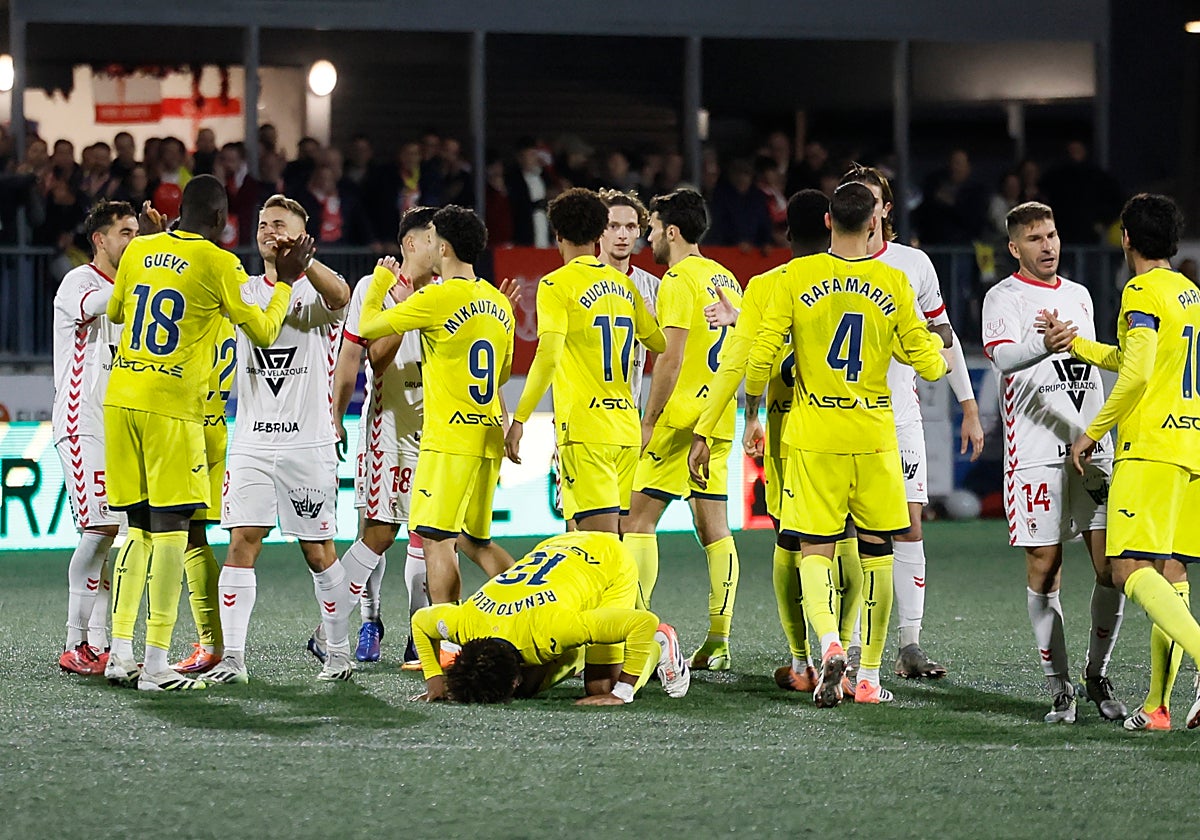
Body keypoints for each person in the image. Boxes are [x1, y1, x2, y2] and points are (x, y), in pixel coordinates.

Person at [701, 182, 949, 706]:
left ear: (828, 222)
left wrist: (747, 412)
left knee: (806, 549)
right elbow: (930, 364)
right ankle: (870, 675)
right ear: (876, 224)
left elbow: (757, 359)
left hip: (809, 435)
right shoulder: (894, 281)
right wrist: (935, 344)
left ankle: (816, 649)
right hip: (876, 435)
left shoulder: (787, 281)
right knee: (877, 553)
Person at [102, 175, 313, 691]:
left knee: (136, 528)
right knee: (175, 531)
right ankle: (155, 663)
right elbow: (263, 331)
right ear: (222, 220)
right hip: (174, 409)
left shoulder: (139, 250)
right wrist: (285, 280)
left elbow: (115, 312)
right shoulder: (221, 264)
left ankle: (120, 652)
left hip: (121, 395)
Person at [1043, 193, 1200, 731]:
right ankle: (1158, 707)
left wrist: (1093, 431)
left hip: (1151, 448)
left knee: (1128, 569)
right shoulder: (1189, 293)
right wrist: (1080, 346)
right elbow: (1141, 361)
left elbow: (1134, 378)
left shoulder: (1140, 290)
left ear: (1126, 238)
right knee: (1169, 572)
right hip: (1190, 446)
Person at [690, 189, 856, 696]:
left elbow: (739, 363)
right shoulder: (861, 280)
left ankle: (802, 660)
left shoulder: (767, 285)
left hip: (789, 428)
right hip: (855, 429)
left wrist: (732, 421)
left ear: (786, 233)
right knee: (851, 543)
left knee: (792, 540)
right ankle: (854, 656)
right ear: (831, 225)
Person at [980, 201, 1126, 724]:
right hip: (1036, 451)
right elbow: (1001, 357)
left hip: (1090, 443)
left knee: (1112, 567)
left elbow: (1090, 363)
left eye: (1053, 234)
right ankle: (1059, 686)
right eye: (1037, 238)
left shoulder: (1080, 296)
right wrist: (1042, 343)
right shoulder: (1003, 297)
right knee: (1046, 567)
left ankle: (1096, 674)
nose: (1049, 246)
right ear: (1016, 248)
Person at [839, 163, 984, 680]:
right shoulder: (825, 266)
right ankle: (851, 646)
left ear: (885, 207)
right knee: (852, 532)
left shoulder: (913, 264)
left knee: (909, 526)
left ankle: (909, 644)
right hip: (841, 420)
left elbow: (944, 336)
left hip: (899, 418)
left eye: (871, 197)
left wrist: (968, 405)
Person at [203, 194, 353, 685]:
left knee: (318, 550)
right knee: (242, 541)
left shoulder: (312, 292)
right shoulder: (243, 291)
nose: (270, 231)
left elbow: (341, 299)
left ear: (302, 235)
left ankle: (338, 652)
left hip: (306, 443)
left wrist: (304, 263)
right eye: (264, 224)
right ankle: (234, 659)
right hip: (250, 442)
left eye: (281, 225)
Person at [356, 206, 516, 611]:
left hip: (447, 440)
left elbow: (370, 326)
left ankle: (447, 643)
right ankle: (527, 604)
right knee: (476, 541)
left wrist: (379, 282)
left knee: (437, 539)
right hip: (488, 436)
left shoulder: (437, 297)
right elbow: (502, 375)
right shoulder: (499, 303)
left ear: (443, 247)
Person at [622, 188, 743, 670]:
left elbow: (670, 358)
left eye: (650, 227)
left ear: (672, 231)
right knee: (713, 527)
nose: (647, 236)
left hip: (679, 419)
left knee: (636, 521)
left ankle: (635, 630)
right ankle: (719, 640)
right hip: (716, 416)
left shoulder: (677, 279)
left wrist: (649, 420)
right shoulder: (726, 277)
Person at [506, 188, 664, 534]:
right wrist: (648, 318)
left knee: (592, 541)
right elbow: (658, 342)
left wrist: (519, 420)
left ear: (557, 235)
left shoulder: (556, 285)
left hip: (584, 429)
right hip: (625, 427)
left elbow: (547, 357)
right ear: (598, 235)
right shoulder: (626, 286)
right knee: (614, 537)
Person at [331, 207, 439, 666]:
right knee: (375, 530)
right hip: (388, 425)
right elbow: (370, 357)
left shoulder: (450, 291)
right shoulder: (372, 289)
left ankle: (420, 632)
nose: (443, 248)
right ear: (412, 244)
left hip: (435, 426)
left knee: (428, 533)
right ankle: (369, 621)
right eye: (435, 239)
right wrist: (403, 309)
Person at [411, 531, 689, 705]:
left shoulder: (551, 631)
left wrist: (624, 691)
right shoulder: (465, 623)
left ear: (514, 681)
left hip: (607, 561)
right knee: (542, 677)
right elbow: (421, 622)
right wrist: (434, 678)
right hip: (556, 546)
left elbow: (643, 622)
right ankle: (583, 651)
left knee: (601, 687)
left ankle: (662, 644)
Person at [51, 201, 137, 675]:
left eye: (137, 231)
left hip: (117, 426)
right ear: (100, 240)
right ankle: (73, 641)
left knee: (112, 537)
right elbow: (105, 305)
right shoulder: (79, 282)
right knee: (100, 529)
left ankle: (98, 642)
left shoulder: (132, 283)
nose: (134, 240)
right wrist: (150, 261)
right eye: (125, 232)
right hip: (81, 423)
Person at [597, 189, 661, 409]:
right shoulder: (578, 279)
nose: (622, 234)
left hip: (629, 415)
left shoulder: (653, 286)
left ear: (639, 232)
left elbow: (663, 358)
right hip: (583, 420)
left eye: (630, 227)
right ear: (599, 231)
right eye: (613, 226)